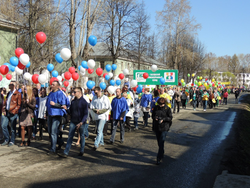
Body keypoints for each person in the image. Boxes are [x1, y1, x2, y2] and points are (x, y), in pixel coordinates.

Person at [58, 87, 89, 157]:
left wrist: (81, 122)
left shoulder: (84, 102)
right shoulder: (73, 101)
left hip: (81, 122)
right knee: (70, 136)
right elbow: (71, 112)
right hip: (73, 121)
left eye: (75, 92)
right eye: (73, 92)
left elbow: (85, 114)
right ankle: (66, 152)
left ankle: (82, 150)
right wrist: (66, 109)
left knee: (82, 136)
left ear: (79, 92)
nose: (73, 93)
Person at [46, 81, 68, 155]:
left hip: (57, 115)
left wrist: (55, 104)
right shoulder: (50, 93)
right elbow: (47, 104)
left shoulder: (60, 93)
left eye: (53, 85)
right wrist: (46, 113)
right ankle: (60, 142)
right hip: (50, 114)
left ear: (58, 86)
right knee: (50, 131)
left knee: (53, 132)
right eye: (51, 84)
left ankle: (53, 149)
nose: (51, 85)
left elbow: (64, 105)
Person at [152, 97, 173, 165]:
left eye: (161, 104)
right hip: (157, 127)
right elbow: (152, 115)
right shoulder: (156, 108)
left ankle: (159, 158)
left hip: (164, 127)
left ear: (164, 103)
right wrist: (155, 118)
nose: (160, 106)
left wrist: (163, 119)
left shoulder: (167, 109)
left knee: (161, 142)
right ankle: (162, 152)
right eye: (159, 104)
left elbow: (170, 118)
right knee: (159, 143)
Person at [1, 82, 21, 146]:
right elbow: (6, 102)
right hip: (7, 113)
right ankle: (7, 139)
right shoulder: (9, 93)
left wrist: (14, 111)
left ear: (13, 86)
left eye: (10, 85)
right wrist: (4, 109)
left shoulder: (18, 93)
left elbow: (19, 105)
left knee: (13, 128)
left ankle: (12, 141)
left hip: (13, 113)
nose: (9, 86)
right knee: (3, 126)